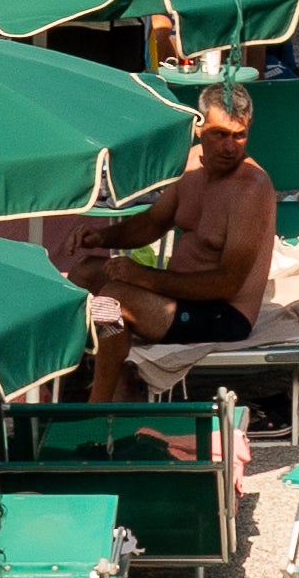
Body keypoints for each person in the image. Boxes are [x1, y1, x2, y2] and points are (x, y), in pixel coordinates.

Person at [68, 84, 278, 399]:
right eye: (219, 134)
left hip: (224, 313)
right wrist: (102, 236)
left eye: (239, 136)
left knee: (114, 299)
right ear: (198, 128)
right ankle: (68, 383)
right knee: (84, 273)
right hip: (179, 296)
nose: (229, 147)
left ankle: (97, 409)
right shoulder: (192, 164)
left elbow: (228, 284)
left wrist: (141, 277)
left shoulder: (250, 190)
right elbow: (153, 222)